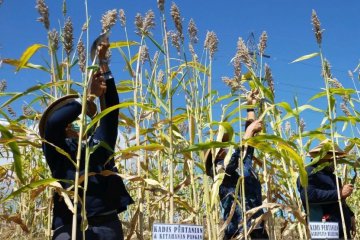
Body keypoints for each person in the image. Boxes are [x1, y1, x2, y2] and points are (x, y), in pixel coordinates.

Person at [39, 39, 134, 240]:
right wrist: (87, 99)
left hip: (106, 224)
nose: (78, 120)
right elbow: (53, 123)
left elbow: (111, 111)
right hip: (69, 226)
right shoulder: (55, 147)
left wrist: (102, 63)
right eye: (73, 116)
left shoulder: (98, 144)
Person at [205, 92, 268, 240]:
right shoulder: (218, 171)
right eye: (219, 146)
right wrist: (248, 132)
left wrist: (250, 108)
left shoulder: (241, 165)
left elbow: (248, 145)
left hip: (257, 226)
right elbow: (231, 163)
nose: (224, 147)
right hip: (237, 229)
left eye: (223, 145)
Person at [297, 140, 356, 239]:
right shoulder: (308, 172)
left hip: (342, 230)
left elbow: (338, 201)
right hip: (324, 228)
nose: (335, 162)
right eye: (332, 158)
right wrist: (339, 193)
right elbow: (308, 195)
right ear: (322, 156)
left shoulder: (334, 177)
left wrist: (351, 215)